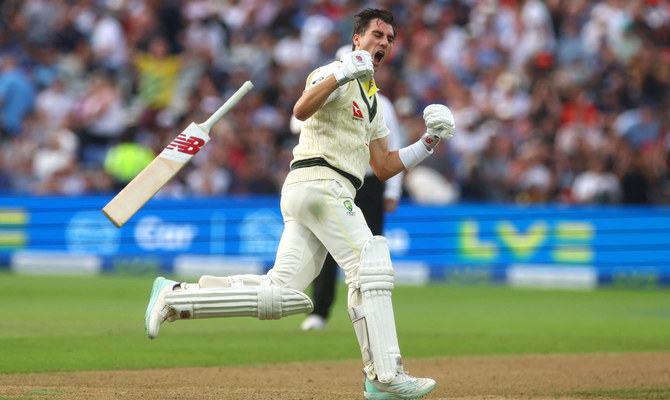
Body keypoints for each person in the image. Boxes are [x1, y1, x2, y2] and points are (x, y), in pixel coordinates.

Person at [144, 8, 455, 400]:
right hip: (322, 181)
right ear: (357, 38)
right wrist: (342, 71)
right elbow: (302, 108)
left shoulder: (373, 99)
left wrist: (428, 142)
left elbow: (383, 165)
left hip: (318, 189)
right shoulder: (333, 70)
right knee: (371, 265)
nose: (385, 43)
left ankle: (175, 295)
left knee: (282, 294)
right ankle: (384, 376)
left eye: (390, 39)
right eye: (378, 34)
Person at [301, 45, 404, 331]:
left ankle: (374, 312)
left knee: (371, 251)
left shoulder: (380, 102)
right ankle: (319, 311)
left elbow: (390, 147)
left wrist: (393, 190)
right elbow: (299, 116)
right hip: (335, 176)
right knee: (328, 247)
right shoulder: (330, 85)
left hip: (369, 183)